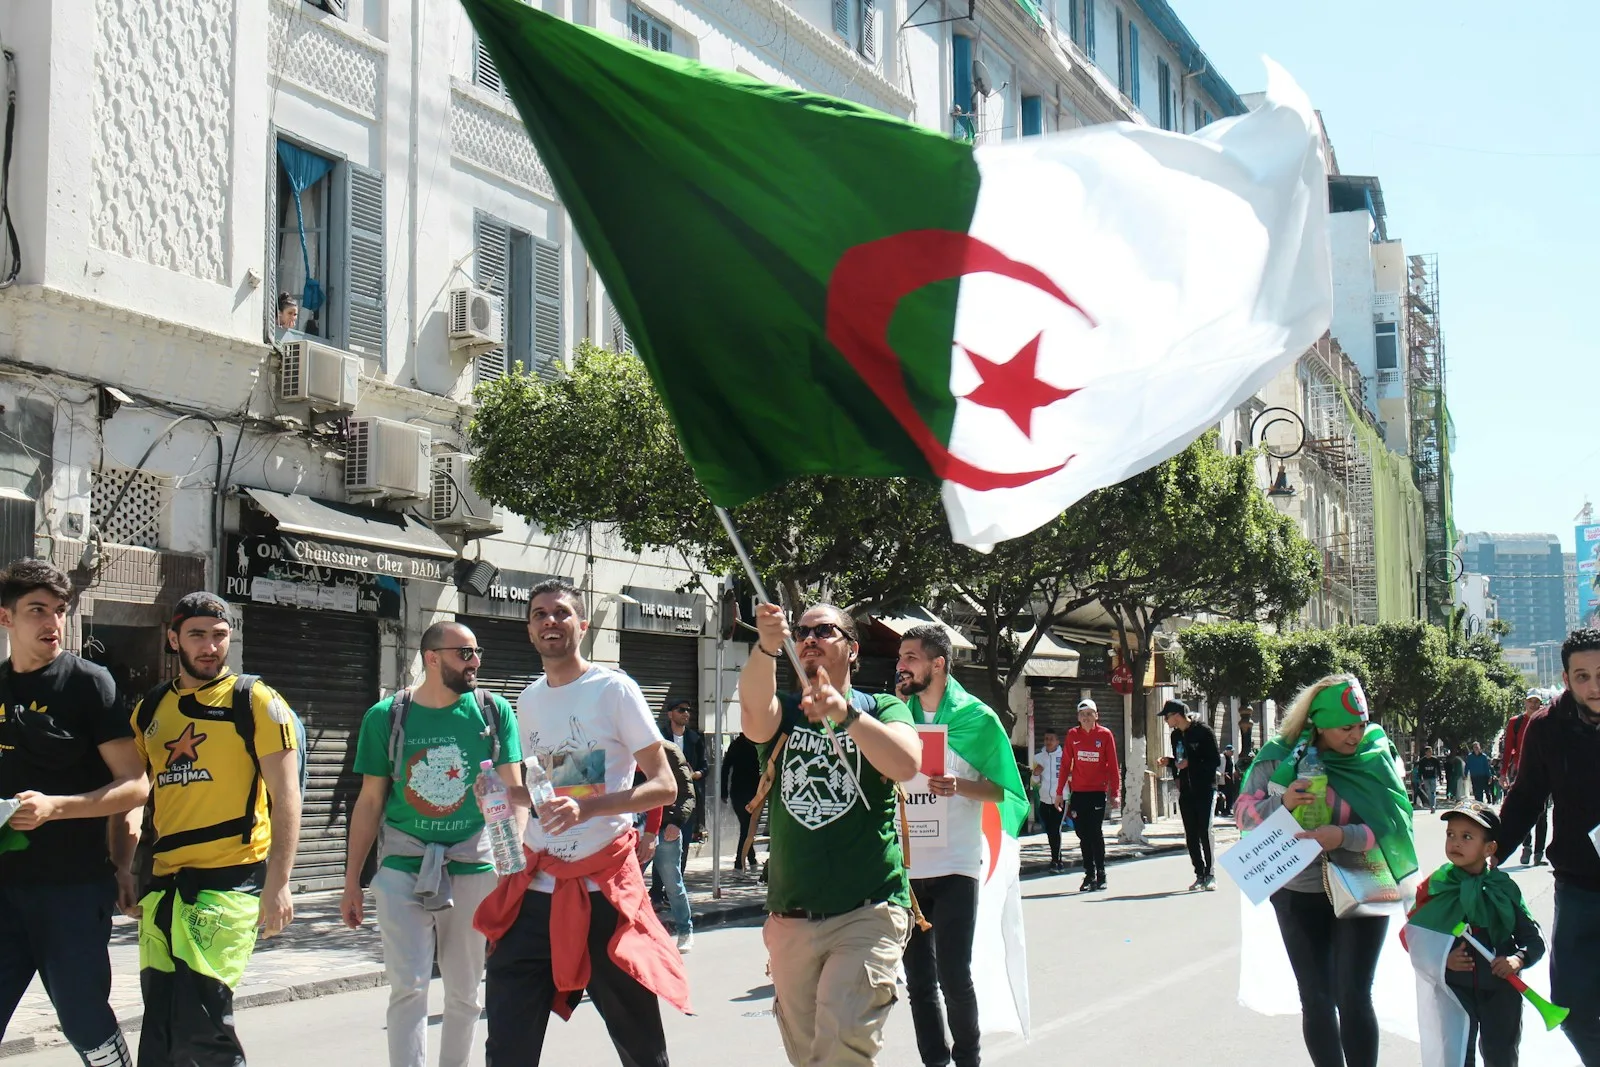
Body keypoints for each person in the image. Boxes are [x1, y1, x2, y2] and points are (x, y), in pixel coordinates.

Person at [474, 578, 687, 1066]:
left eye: (562, 613)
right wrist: (506, 796)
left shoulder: (613, 689)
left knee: (641, 1048)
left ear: (582, 625)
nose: (551, 621)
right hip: (534, 896)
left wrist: (588, 809)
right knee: (506, 1046)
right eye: (540, 614)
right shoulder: (526, 701)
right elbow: (551, 788)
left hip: (604, 894)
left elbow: (664, 786)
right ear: (529, 631)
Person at [739, 602, 920, 1067]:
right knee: (811, 1058)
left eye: (824, 630)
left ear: (852, 648)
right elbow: (753, 713)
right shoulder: (786, 717)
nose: (809, 638)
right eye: (801, 631)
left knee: (842, 1049)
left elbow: (905, 762)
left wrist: (846, 716)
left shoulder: (881, 707)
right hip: (791, 917)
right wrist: (765, 646)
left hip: (869, 911)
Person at [125, 592, 302, 1066]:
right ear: (173, 639)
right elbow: (134, 794)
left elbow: (287, 799)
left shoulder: (255, 700)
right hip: (164, 888)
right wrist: (123, 868)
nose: (210, 647)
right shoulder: (150, 710)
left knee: (202, 1028)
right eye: (197, 635)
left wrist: (279, 884)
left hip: (229, 885)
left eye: (219, 636)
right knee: (160, 1029)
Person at [339, 621, 523, 1067]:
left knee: (465, 993)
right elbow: (369, 801)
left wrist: (509, 868)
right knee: (409, 987)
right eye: (465, 653)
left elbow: (512, 795)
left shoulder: (493, 712)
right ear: (433, 658)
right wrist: (352, 882)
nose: (475, 661)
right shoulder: (386, 716)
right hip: (404, 865)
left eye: (478, 652)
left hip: (475, 865)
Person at [0, 559, 147, 1066]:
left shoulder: (89, 684)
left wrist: (56, 808)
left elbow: (135, 785)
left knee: (84, 1019)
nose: (52, 623)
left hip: (71, 890)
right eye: (37, 610)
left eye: (59, 611)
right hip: (3, 889)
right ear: (5, 619)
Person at [1235, 674, 1418, 1067]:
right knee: (1316, 997)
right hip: (1296, 888)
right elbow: (1244, 816)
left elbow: (1395, 824)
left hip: (1364, 879)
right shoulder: (1278, 757)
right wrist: (1282, 804)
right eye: (1345, 728)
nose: (1355, 736)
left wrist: (1344, 836)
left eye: (1360, 725)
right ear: (1319, 723)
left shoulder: (1375, 754)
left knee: (1354, 993)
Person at [895, 625, 1028, 1067]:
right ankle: (934, 1061)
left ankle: (968, 1059)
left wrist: (960, 786)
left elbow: (1005, 792)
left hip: (956, 864)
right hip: (908, 868)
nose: (901, 665)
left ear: (938, 664)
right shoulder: (896, 717)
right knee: (917, 980)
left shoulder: (978, 719)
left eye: (911, 657)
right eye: (901, 657)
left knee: (953, 975)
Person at [1498, 628, 1600, 1063]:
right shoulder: (1546, 729)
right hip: (1577, 888)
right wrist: (1490, 852)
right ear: (1566, 678)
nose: (1594, 686)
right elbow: (1526, 798)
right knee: (1572, 1009)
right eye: (1582, 676)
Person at [1405, 805, 1545, 1067]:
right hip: (1455, 993)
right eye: (1451, 834)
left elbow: (1534, 940)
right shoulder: (1437, 886)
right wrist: (1443, 958)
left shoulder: (1503, 889)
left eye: (1467, 837)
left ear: (1489, 848)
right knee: (1457, 1058)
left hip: (1501, 991)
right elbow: (1414, 937)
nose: (1455, 843)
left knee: (1501, 1056)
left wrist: (1517, 959)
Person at [1057, 698, 1119, 893]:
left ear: (1096, 716)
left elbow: (1113, 766)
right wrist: (1059, 792)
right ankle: (1089, 873)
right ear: (1078, 717)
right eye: (1082, 715)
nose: (1086, 718)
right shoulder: (1072, 735)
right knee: (1082, 834)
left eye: (1089, 714)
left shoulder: (1105, 735)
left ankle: (1100, 874)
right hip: (1078, 793)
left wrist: (1115, 793)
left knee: (1095, 832)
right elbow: (1066, 764)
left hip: (1097, 792)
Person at [1160, 700, 1222, 892]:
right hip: (1186, 790)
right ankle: (1199, 874)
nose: (1166, 721)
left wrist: (1191, 764)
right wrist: (1169, 762)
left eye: (1167, 717)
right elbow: (1180, 762)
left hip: (1205, 789)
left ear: (1177, 715)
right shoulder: (1175, 735)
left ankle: (1211, 874)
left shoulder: (1203, 731)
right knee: (1191, 834)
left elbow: (1214, 761)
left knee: (1205, 830)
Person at [651, 738, 698, 952]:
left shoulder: (670, 751)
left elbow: (688, 794)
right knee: (626, 883)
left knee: (673, 884)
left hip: (666, 828)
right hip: (637, 828)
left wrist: (677, 823)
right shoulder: (627, 749)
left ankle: (685, 930)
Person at [1502, 690, 1548, 866]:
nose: (1534, 705)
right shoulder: (1516, 722)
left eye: (1537, 702)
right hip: (1521, 772)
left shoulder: (1546, 721)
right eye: (1531, 701)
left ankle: (1538, 853)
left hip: (1544, 772)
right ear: (1525, 702)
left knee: (1542, 814)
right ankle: (1526, 846)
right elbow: (1508, 749)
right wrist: (1503, 773)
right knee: (1525, 808)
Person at [720, 731, 761, 871]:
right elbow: (725, 768)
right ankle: (739, 863)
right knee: (747, 828)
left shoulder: (736, 745)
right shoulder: (757, 744)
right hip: (751, 793)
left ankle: (751, 859)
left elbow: (725, 768)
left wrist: (724, 792)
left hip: (740, 793)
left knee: (747, 827)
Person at [1030, 730, 1065, 871]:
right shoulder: (1038, 758)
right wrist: (1035, 774)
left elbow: (1070, 778)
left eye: (1051, 739)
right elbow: (1034, 783)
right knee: (1050, 830)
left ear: (1057, 741)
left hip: (1060, 799)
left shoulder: (1065, 757)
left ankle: (1056, 861)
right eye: (1046, 739)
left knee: (1055, 829)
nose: (1048, 741)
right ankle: (1058, 859)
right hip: (1044, 800)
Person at [1415, 745, 1443, 811]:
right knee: (1429, 793)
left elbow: (1438, 769)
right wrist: (1420, 779)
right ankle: (1431, 805)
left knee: (1433, 792)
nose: (1430, 753)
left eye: (1431, 751)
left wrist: (1440, 777)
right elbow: (1420, 770)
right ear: (1426, 752)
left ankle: (1433, 806)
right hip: (1425, 778)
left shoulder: (1435, 760)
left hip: (1433, 777)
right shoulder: (1422, 761)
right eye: (1428, 751)